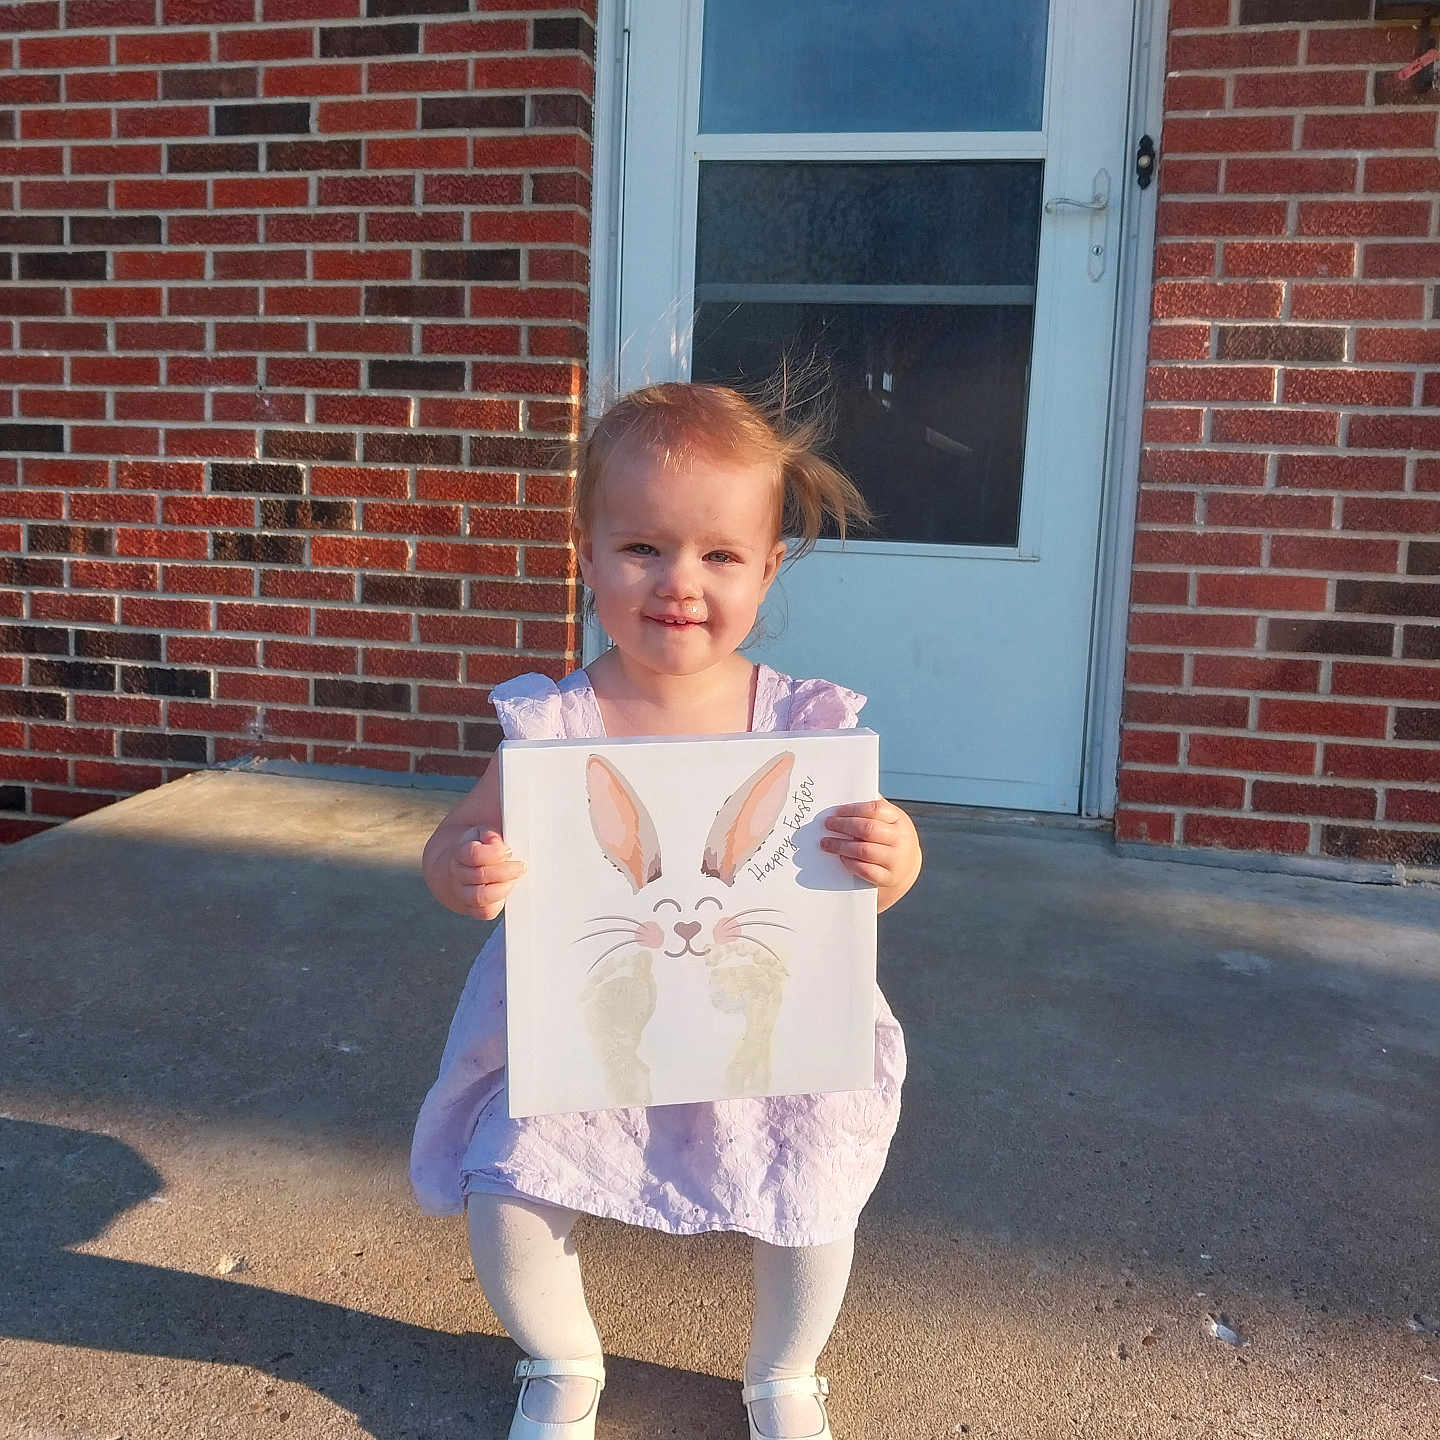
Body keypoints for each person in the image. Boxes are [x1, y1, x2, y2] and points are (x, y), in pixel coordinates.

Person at [411, 381, 922, 1440]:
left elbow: (865, 880)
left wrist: (894, 855)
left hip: (765, 1032)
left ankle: (784, 1372)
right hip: (588, 1027)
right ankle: (560, 1357)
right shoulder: (555, 728)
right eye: (642, 547)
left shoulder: (802, 726)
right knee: (513, 1189)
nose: (680, 582)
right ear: (586, 555)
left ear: (767, 569)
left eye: (720, 555)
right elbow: (452, 842)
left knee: (813, 1193)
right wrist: (466, 867)